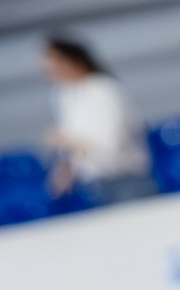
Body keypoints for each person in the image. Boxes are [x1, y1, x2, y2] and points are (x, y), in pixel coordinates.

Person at [39, 38, 151, 206]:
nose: (48, 73)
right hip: (91, 186)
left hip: (124, 180)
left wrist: (68, 141)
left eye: (52, 66)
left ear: (72, 62)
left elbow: (110, 147)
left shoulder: (104, 90)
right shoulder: (63, 95)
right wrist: (65, 167)